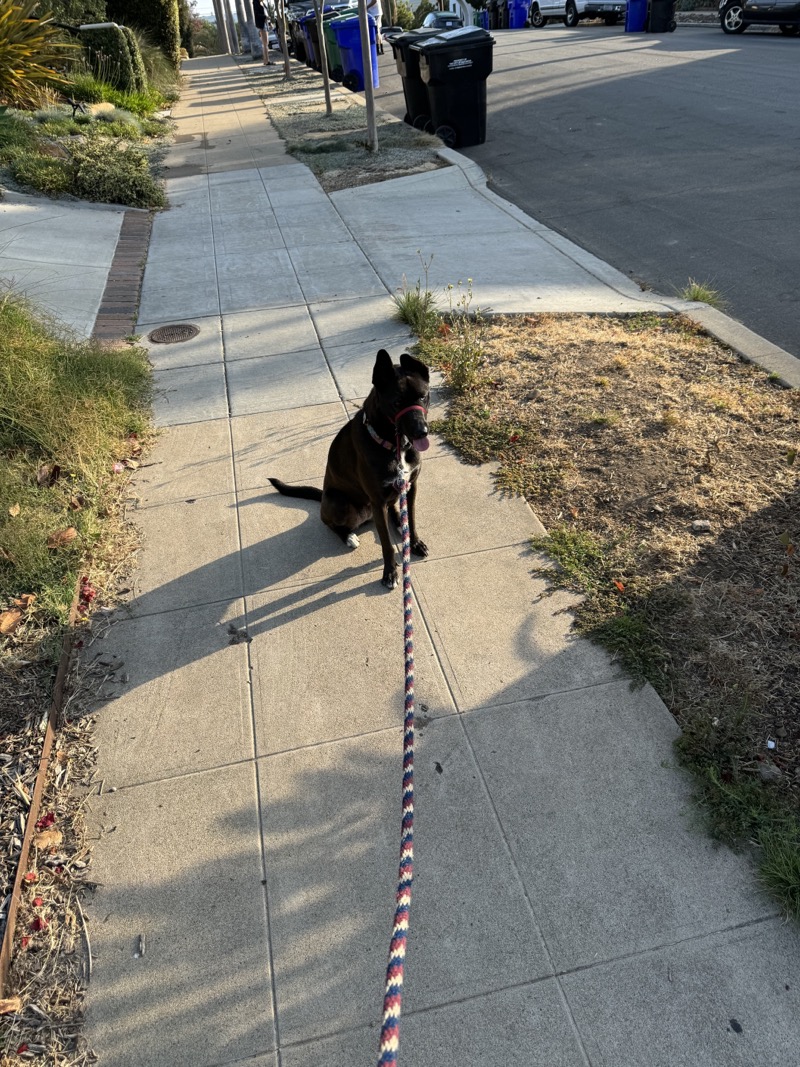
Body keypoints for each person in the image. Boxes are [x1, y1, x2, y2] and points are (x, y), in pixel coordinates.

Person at [252, 0, 272, 64]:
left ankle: (266, 60)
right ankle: (267, 60)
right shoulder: (256, 3)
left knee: (266, 43)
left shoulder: (263, 3)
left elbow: (266, 13)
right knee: (265, 43)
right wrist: (265, 17)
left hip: (266, 23)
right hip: (262, 24)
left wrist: (269, 23)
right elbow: (257, 15)